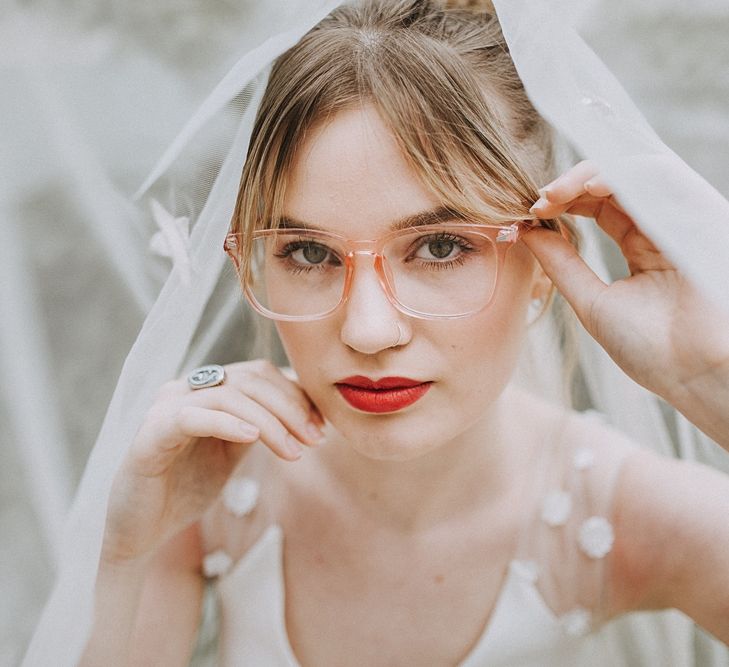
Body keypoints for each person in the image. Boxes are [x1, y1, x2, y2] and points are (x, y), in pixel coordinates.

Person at [73, 1, 729, 665]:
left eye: (440, 246)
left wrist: (710, 382)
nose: (368, 329)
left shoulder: (619, 514)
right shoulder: (202, 491)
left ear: (545, 258)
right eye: (307, 251)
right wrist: (121, 553)